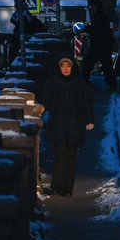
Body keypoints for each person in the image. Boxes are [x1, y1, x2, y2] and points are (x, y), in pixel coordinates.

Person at [45, 54, 94, 196]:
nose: (66, 69)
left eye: (68, 66)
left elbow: (86, 102)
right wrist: (41, 108)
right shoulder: (53, 81)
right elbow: (46, 98)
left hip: (75, 124)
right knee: (60, 155)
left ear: (72, 67)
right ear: (59, 67)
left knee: (71, 155)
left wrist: (90, 120)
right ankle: (57, 186)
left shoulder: (79, 82)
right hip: (58, 123)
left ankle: (67, 188)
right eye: (63, 66)